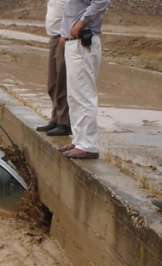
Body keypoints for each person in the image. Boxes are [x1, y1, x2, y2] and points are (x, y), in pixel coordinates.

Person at [59, 0, 111, 159]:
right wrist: (64, 33)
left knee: (84, 94)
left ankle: (88, 145)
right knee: (74, 96)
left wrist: (81, 23)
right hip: (74, 43)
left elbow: (102, 1)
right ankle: (79, 140)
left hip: (83, 41)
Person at [36, 0, 71, 136]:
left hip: (63, 38)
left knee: (62, 82)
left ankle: (64, 123)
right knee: (53, 84)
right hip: (54, 38)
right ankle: (55, 118)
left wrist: (67, 33)